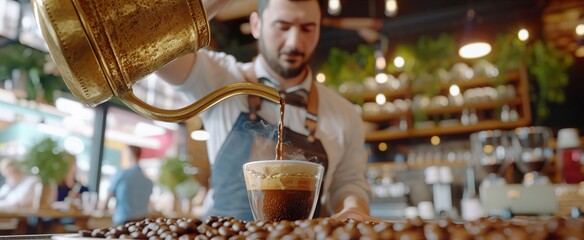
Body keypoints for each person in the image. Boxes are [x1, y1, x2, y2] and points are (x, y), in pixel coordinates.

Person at [156, 0, 371, 221]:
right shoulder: (219, 79)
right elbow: (157, 39)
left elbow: (349, 182)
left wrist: (354, 207)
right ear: (256, 25)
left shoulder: (345, 113)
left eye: (308, 28)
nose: (295, 42)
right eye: (282, 26)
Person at [104, 146, 153, 225]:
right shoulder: (148, 180)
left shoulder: (122, 174)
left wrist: (103, 208)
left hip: (123, 222)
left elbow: (109, 195)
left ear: (130, 155)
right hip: (142, 223)